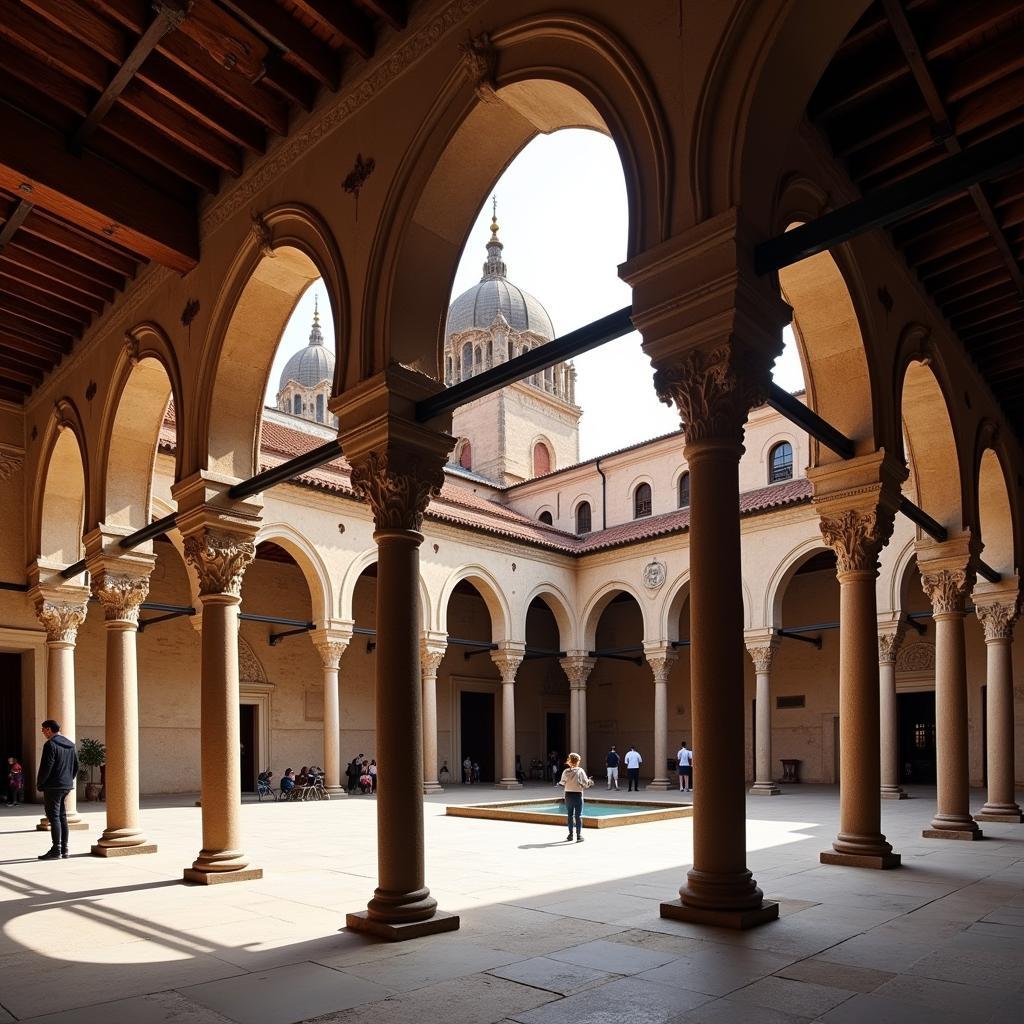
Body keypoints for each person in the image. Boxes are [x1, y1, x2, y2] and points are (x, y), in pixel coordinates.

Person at [36, 720, 78, 860]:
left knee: (54, 817)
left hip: (53, 786)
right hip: (65, 785)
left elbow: (46, 767)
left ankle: (56, 850)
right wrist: (67, 780)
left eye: (43, 729)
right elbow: (76, 766)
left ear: (49, 729)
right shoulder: (71, 745)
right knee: (62, 817)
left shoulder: (50, 745)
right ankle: (64, 849)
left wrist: (40, 783)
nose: (42, 732)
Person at [558, 753, 593, 842]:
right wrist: (590, 782)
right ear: (577, 761)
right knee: (578, 815)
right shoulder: (580, 771)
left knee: (570, 815)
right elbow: (585, 783)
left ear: (569, 760)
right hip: (578, 794)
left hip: (568, 794)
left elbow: (562, 783)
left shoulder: (566, 771)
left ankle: (570, 835)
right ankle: (579, 836)